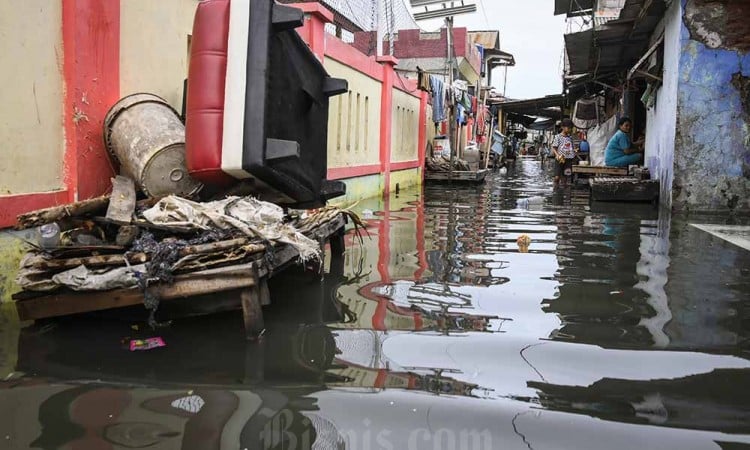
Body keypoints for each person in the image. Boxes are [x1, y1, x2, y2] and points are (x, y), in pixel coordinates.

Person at [551, 118, 577, 187]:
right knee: (557, 177)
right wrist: (557, 155)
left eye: (571, 128)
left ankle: (564, 192)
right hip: (560, 159)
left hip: (568, 159)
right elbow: (554, 147)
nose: (570, 129)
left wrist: (574, 151)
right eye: (568, 128)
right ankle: (555, 189)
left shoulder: (570, 138)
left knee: (566, 176)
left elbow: (571, 147)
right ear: (562, 127)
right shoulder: (558, 137)